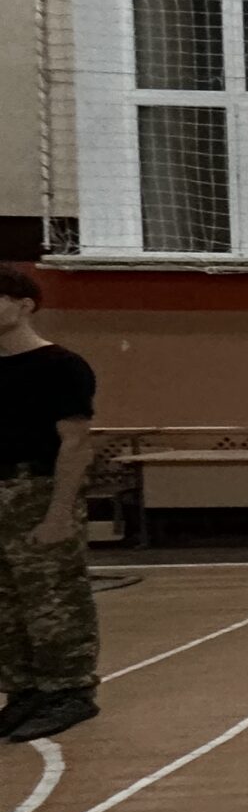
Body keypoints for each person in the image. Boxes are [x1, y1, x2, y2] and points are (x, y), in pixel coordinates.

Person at [0, 265, 101, 743]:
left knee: (54, 596)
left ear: (24, 306)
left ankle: (69, 690)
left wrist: (59, 513)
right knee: (6, 600)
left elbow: (75, 444)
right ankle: (24, 689)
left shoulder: (61, 366)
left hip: (37, 489)